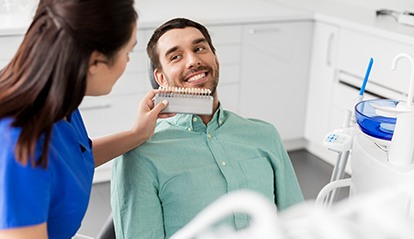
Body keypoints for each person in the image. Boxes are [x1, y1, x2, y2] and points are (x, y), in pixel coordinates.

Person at [111, 17, 304, 238]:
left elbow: (298, 222)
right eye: (176, 56)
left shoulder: (265, 135)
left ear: (216, 59)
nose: (193, 60)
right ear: (160, 78)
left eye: (200, 48)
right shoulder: (140, 156)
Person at [0, 0, 170, 238]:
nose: (128, 62)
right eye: (127, 52)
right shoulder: (19, 142)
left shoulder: (57, 99)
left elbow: (74, 157)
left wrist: (137, 134)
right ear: (96, 62)